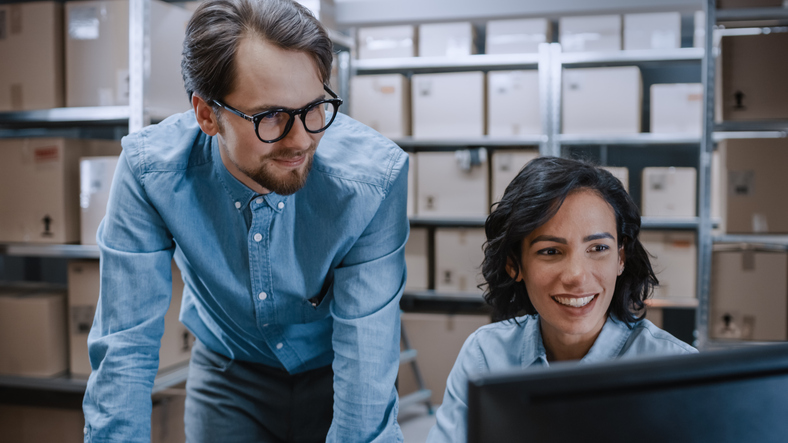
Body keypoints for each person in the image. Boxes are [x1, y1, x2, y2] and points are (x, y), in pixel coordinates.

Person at [82, 0, 408, 441]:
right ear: (206, 115)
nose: (302, 140)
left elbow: (367, 370)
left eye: (314, 108)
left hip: (338, 374)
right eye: (270, 116)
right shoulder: (149, 174)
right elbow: (124, 349)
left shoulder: (372, 182)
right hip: (227, 376)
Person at [427, 156, 697, 443]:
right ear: (514, 264)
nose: (577, 276)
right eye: (551, 251)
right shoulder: (485, 356)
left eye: (598, 248)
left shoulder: (679, 371)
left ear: (620, 257)